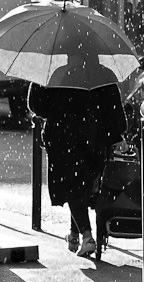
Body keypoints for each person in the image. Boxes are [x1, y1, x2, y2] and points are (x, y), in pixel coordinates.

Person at [28, 62, 127, 258]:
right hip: (96, 139)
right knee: (82, 184)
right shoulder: (104, 75)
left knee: (72, 185)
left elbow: (36, 105)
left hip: (62, 137)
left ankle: (87, 237)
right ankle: (74, 234)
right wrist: (115, 135)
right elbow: (116, 115)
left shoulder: (57, 72)